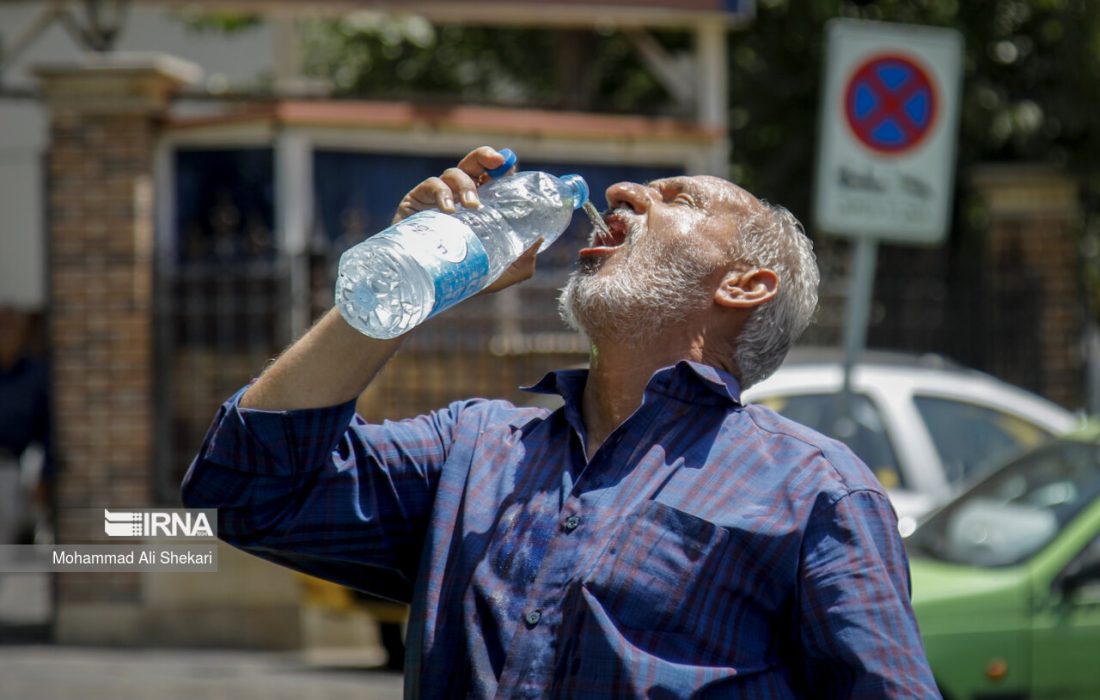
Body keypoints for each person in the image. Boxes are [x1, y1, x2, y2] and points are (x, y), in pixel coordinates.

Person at [182, 147, 938, 698]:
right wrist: (398, 283)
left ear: (746, 284)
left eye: (679, 197)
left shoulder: (815, 493)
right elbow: (245, 490)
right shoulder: (474, 450)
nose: (622, 189)